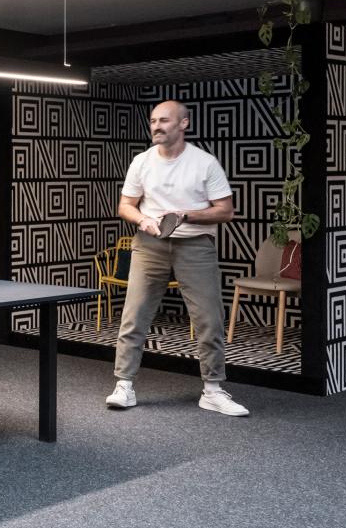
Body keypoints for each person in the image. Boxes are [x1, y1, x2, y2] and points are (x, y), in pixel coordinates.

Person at [105, 101, 249, 417]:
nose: (156, 126)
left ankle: (212, 391)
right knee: (134, 315)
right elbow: (126, 205)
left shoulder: (205, 163)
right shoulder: (141, 161)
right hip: (149, 244)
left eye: (164, 120)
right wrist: (142, 219)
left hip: (195, 245)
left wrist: (186, 215)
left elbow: (226, 211)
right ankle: (124, 386)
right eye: (153, 121)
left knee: (209, 318)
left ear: (184, 123)